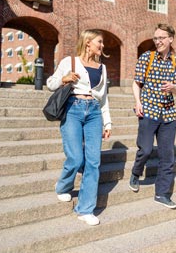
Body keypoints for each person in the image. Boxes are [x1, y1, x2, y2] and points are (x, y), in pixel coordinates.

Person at [46, 29, 112, 226]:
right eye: (99, 42)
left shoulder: (102, 67)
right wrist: (64, 79)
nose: (102, 46)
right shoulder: (70, 62)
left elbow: (104, 97)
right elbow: (50, 83)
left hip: (93, 112)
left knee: (93, 161)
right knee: (75, 157)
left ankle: (85, 209)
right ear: (88, 42)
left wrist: (107, 122)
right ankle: (63, 186)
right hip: (73, 109)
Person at [129, 23, 176, 210]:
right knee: (145, 150)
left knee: (167, 157)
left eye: (161, 38)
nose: (158, 41)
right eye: (156, 38)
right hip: (148, 110)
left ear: (170, 39)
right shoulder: (147, 57)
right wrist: (138, 102)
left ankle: (161, 193)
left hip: (168, 115)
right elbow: (137, 83)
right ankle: (136, 173)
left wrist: (173, 88)